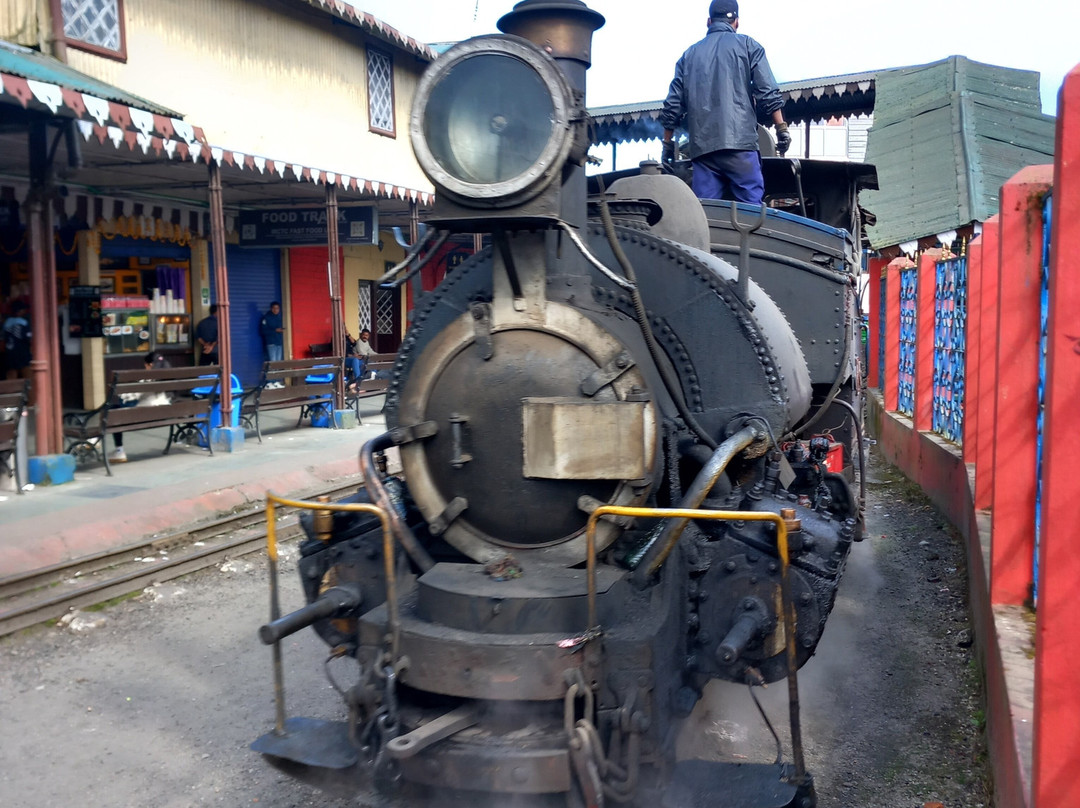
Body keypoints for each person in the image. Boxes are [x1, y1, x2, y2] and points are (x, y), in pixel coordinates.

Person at [659, 0, 791, 205]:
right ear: (736, 22)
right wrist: (781, 128)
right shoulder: (748, 46)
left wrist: (667, 145)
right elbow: (767, 92)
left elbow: (672, 106)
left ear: (708, 21)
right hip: (741, 147)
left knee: (707, 217)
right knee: (752, 213)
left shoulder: (688, 56)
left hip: (704, 152)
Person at [110, 352, 170, 463]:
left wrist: (121, 393)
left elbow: (131, 396)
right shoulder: (169, 377)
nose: (145, 368)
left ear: (150, 365)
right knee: (116, 409)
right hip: (164, 413)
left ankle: (119, 450)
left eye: (145, 366)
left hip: (144, 415)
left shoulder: (149, 379)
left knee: (113, 411)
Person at [2, 301, 32, 380]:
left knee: (11, 374)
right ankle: (31, 391)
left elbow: (3, 338)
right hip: (23, 352)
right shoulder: (24, 322)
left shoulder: (6, 323)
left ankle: (10, 391)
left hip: (10, 352)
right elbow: (28, 338)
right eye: (23, 309)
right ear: (19, 311)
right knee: (27, 373)